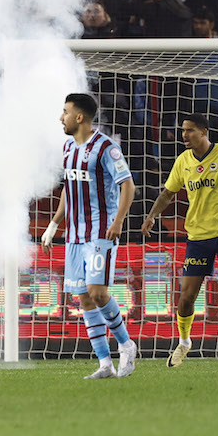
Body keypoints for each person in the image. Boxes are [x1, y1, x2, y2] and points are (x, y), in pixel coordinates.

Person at [141, 114, 218, 368]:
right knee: (187, 296)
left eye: (190, 130)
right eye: (183, 130)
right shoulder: (183, 160)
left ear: (203, 132)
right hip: (198, 237)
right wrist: (151, 216)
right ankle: (184, 342)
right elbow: (167, 193)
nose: (184, 135)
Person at [41, 93, 136, 380]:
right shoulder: (68, 147)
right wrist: (54, 224)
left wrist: (118, 221)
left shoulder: (106, 148)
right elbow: (69, 189)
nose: (61, 117)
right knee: (83, 298)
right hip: (74, 235)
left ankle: (126, 344)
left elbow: (128, 185)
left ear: (80, 117)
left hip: (100, 232)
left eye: (65, 112)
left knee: (98, 293)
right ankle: (105, 364)